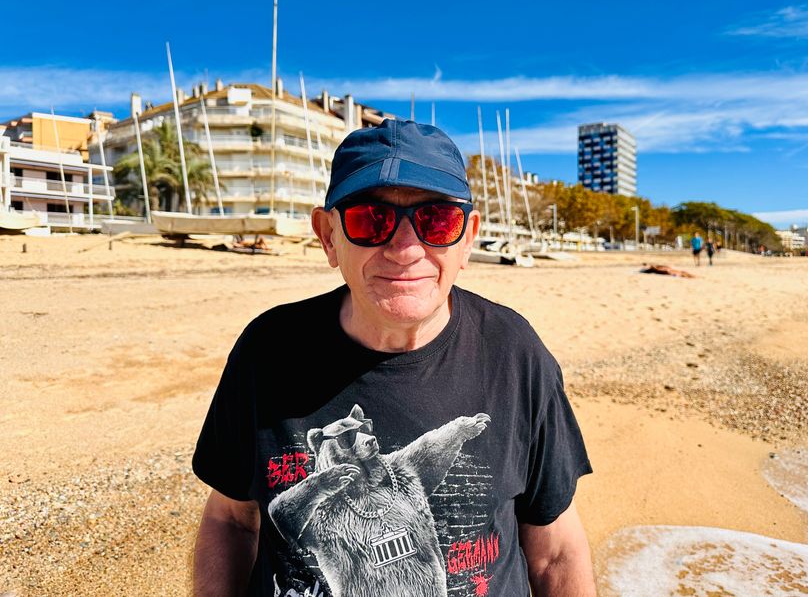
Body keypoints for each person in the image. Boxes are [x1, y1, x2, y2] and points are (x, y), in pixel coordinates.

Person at [191, 119, 595, 597]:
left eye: (437, 221)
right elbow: (234, 520)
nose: (405, 250)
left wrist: (462, 429)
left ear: (467, 238)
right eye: (370, 220)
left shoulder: (514, 353)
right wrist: (328, 482)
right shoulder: (268, 352)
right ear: (328, 237)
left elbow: (555, 550)